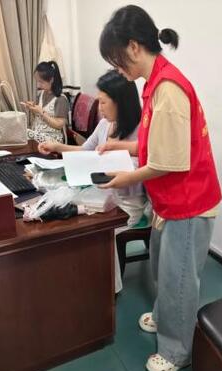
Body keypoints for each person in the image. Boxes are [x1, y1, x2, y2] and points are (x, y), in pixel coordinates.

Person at [96, 5, 221, 371]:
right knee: (163, 270)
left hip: (189, 202)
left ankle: (177, 351)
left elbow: (169, 162)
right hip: (170, 200)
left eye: (116, 59)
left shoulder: (168, 90)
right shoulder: (154, 84)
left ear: (133, 47)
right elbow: (156, 144)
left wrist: (122, 178)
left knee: (179, 279)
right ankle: (167, 316)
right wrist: (120, 147)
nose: (117, 68)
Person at [38, 70, 148, 294]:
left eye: (104, 102)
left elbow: (140, 172)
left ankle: (108, 290)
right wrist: (57, 147)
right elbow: (84, 151)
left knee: (97, 230)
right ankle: (82, 278)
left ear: (121, 102)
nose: (100, 108)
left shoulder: (141, 131)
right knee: (68, 216)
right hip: (102, 195)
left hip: (128, 204)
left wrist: (108, 169)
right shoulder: (105, 124)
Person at [22, 61, 70, 143]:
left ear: (51, 80)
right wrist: (32, 108)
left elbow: (59, 125)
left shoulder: (60, 99)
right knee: (20, 131)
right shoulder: (41, 94)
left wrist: (41, 112)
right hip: (39, 134)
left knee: (23, 133)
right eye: (37, 81)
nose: (38, 85)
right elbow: (39, 117)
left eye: (41, 82)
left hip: (53, 139)